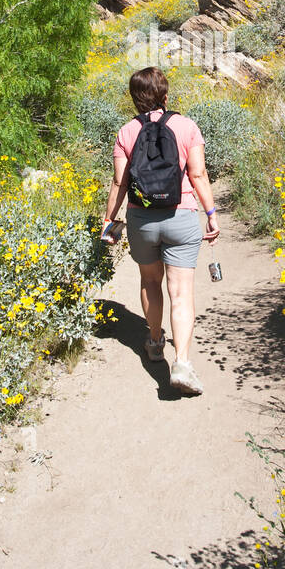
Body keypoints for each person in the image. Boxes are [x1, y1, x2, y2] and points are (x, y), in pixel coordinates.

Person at [101, 67, 219, 396]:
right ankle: (182, 362)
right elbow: (198, 175)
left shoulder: (126, 133)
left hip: (142, 220)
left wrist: (109, 221)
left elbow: (119, 182)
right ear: (165, 96)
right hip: (181, 217)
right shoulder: (186, 126)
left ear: (134, 99)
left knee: (150, 282)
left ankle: (154, 342)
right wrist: (210, 213)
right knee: (180, 292)